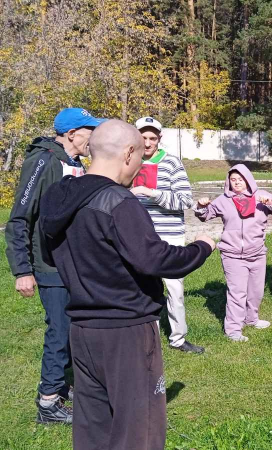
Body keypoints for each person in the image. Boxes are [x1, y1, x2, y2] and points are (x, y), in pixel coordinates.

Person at [39, 120, 215, 449]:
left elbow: (49, 253)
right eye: (138, 161)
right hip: (127, 331)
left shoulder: (58, 197)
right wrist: (201, 247)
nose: (138, 170)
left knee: (93, 427)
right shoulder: (119, 202)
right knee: (139, 429)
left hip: (82, 330)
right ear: (129, 153)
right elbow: (156, 259)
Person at [5, 107, 104, 424]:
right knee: (59, 334)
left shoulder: (75, 163)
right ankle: (48, 403)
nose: (94, 135)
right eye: (90, 129)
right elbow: (19, 218)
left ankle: (64, 387)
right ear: (73, 133)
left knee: (75, 333)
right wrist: (22, 270)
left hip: (75, 266)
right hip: (50, 267)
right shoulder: (44, 161)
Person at [132, 116, 204, 354]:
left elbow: (184, 200)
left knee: (174, 289)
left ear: (159, 139)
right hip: (139, 235)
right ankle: (144, 339)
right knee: (140, 288)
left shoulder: (172, 163)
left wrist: (152, 193)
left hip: (170, 235)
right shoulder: (128, 162)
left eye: (153, 138)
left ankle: (178, 338)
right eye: (143, 137)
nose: (148, 142)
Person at [195, 165, 272, 341]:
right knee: (237, 293)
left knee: (256, 291)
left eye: (240, 179)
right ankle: (233, 330)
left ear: (247, 179)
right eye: (233, 179)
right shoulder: (223, 200)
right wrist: (200, 206)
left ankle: (251, 319)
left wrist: (271, 203)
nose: (237, 183)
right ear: (228, 181)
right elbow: (205, 215)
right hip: (232, 254)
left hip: (257, 253)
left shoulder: (262, 196)